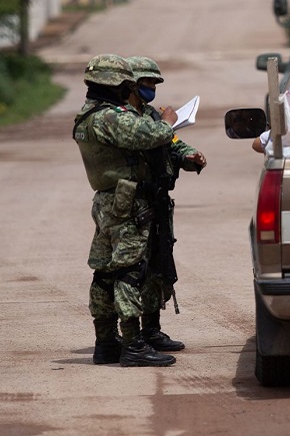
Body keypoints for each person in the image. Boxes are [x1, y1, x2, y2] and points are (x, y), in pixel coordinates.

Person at [72, 54, 206, 367]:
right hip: (127, 202)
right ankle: (133, 344)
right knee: (130, 272)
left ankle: (106, 342)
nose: (132, 88)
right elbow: (154, 134)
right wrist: (167, 121)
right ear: (114, 84)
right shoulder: (110, 117)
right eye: (129, 84)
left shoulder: (90, 114)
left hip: (110, 201)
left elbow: (169, 143)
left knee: (105, 273)